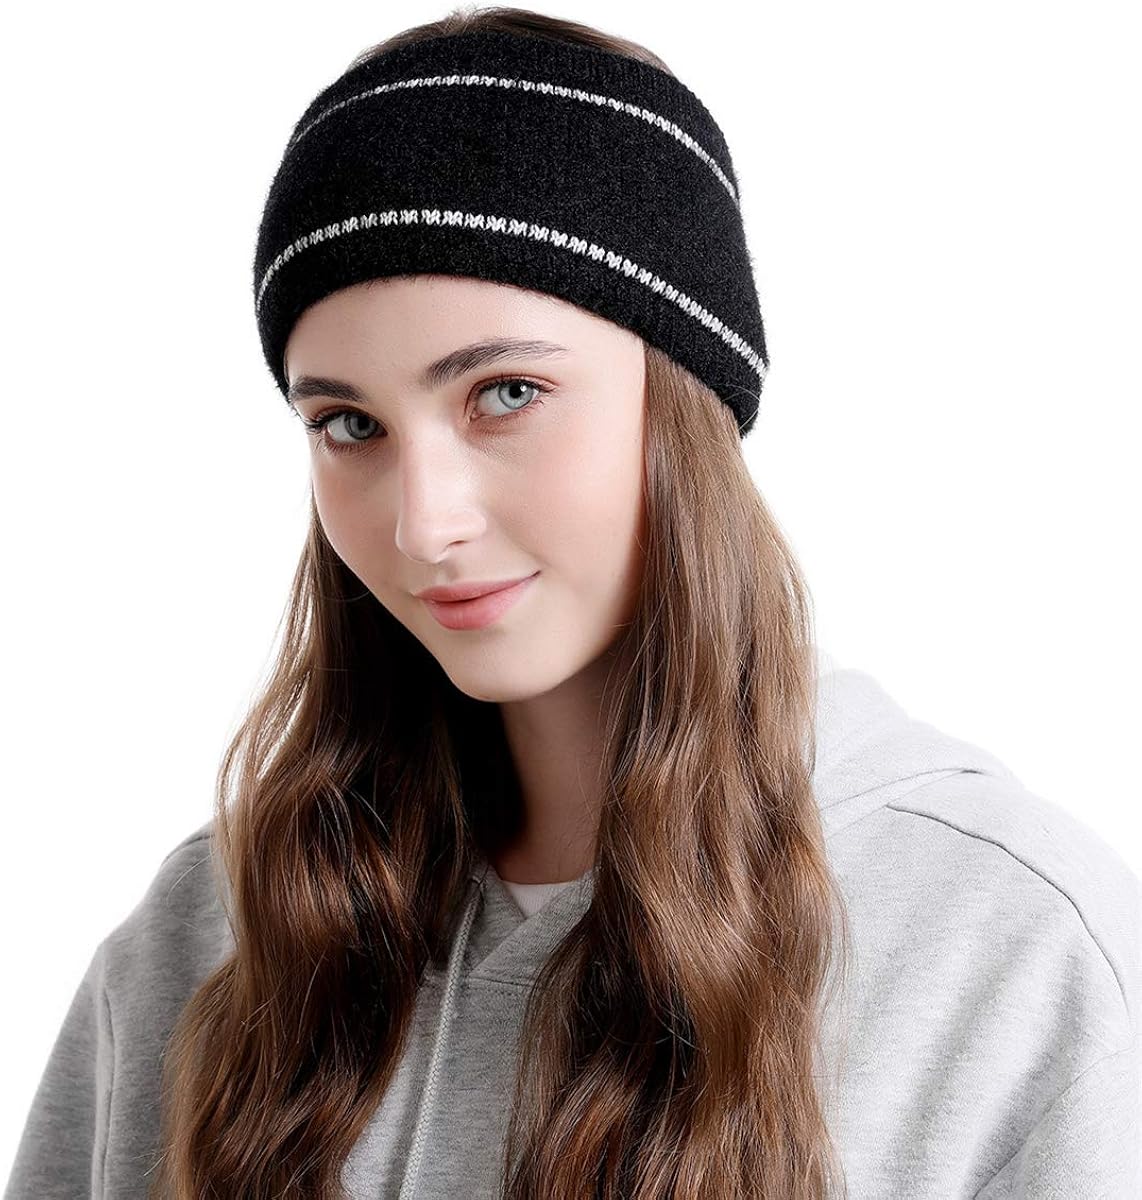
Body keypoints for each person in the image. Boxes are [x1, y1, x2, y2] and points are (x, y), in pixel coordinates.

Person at [5, 7, 1139, 1199]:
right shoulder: (214, 936)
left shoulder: (1001, 948)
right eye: (348, 425)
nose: (422, 521)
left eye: (505, 393)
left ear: (685, 400)